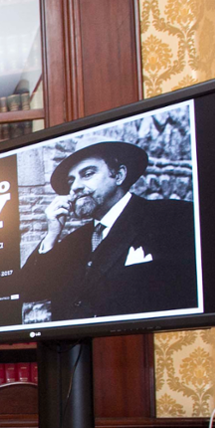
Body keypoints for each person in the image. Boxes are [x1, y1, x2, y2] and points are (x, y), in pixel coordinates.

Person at [21, 136, 199, 322]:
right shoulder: (74, 242)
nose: (75, 187)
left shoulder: (173, 217)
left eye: (88, 174)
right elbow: (31, 291)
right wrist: (52, 235)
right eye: (70, 181)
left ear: (119, 175)